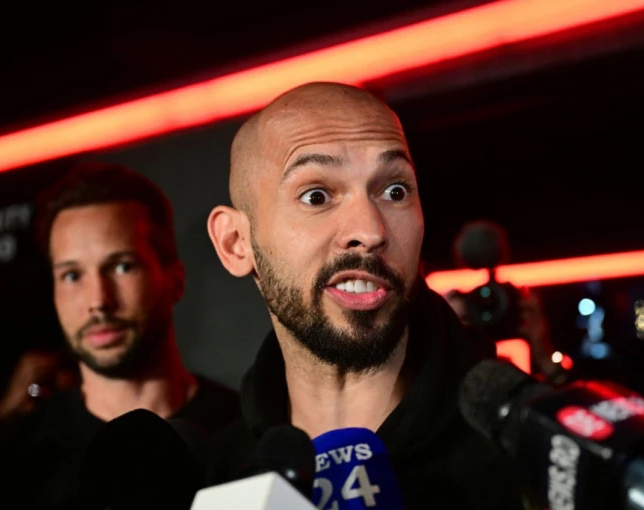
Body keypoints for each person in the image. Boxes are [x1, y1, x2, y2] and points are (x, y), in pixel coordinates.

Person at [206, 82, 524, 508]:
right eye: (316, 196)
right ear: (235, 243)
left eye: (395, 191)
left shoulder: (527, 457)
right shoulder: (213, 477)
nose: (371, 231)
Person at [0, 162, 240, 510]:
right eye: (72, 275)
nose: (98, 301)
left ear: (175, 279)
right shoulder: (3, 466)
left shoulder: (248, 432)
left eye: (122, 266)